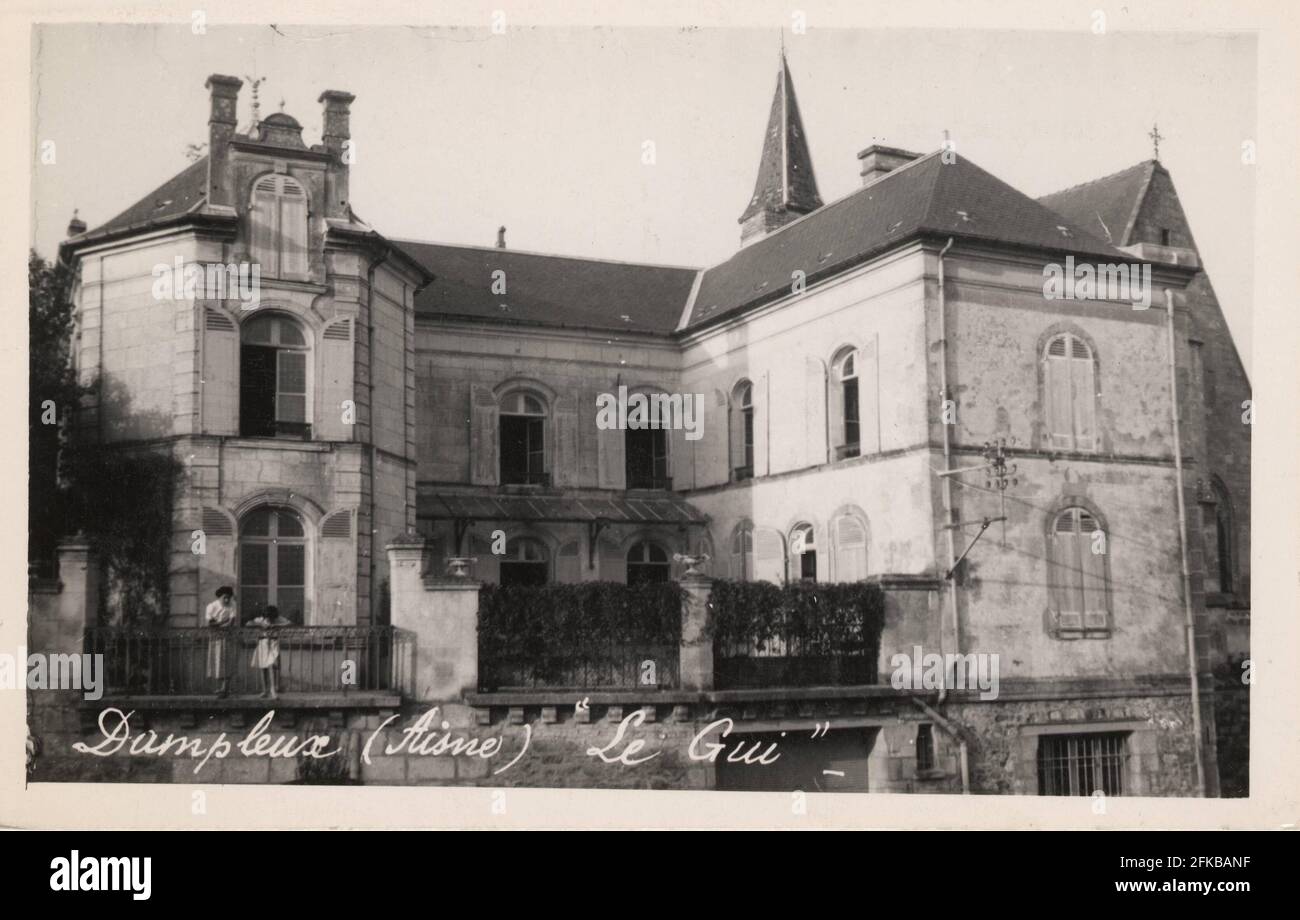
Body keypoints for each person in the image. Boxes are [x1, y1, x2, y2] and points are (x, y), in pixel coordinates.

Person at [246, 604, 292, 699]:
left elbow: (289, 623)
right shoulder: (261, 619)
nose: (269, 620)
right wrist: (260, 624)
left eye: (271, 618)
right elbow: (248, 623)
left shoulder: (278, 618)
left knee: (272, 666)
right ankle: (265, 690)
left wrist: (276, 625)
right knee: (263, 667)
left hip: (274, 643)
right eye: (268, 618)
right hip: (263, 643)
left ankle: (273, 690)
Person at [204, 586, 238, 698]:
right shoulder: (212, 606)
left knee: (227, 662)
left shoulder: (232, 605)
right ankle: (219, 688)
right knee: (217, 661)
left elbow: (231, 622)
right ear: (220, 597)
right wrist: (222, 622)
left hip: (228, 637)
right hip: (216, 638)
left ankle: (225, 688)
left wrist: (220, 624)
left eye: (229, 598)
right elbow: (210, 623)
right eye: (225, 598)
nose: (227, 600)